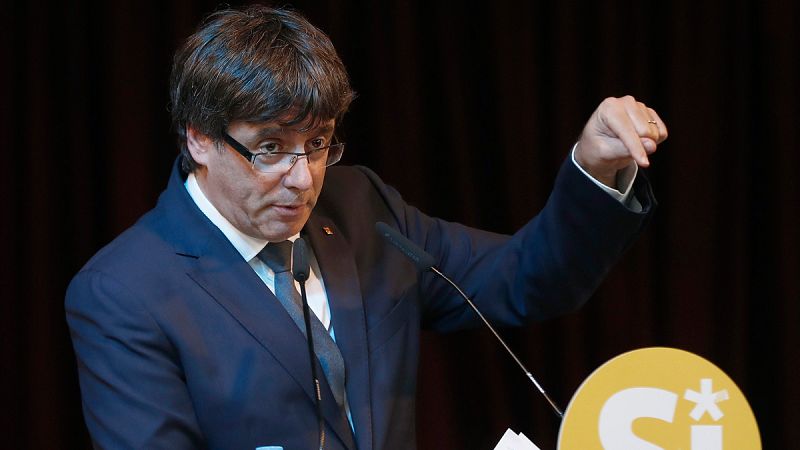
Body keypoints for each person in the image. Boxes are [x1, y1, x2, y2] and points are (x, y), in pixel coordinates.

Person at [65, 5, 666, 450]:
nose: (302, 179)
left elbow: (528, 278)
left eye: (318, 143)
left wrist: (593, 169)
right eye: (270, 148)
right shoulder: (124, 292)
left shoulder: (360, 207)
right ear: (199, 138)